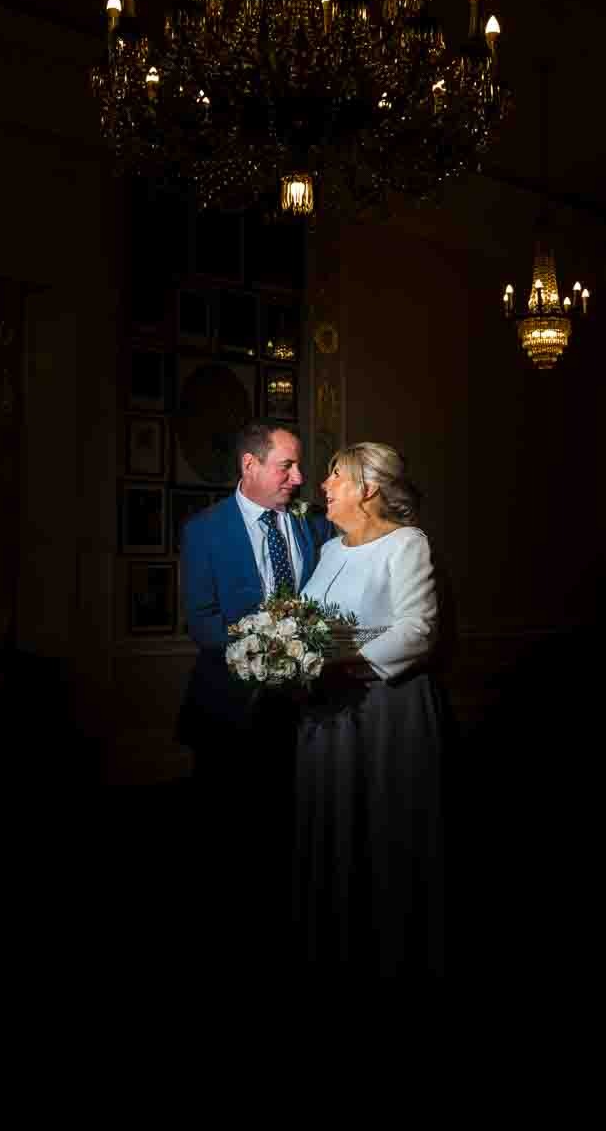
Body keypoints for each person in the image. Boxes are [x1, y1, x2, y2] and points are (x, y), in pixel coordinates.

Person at [177, 421, 333, 970]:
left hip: (305, 711)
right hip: (229, 708)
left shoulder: (310, 527)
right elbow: (201, 622)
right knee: (227, 838)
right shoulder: (205, 530)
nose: (300, 476)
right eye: (286, 466)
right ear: (249, 465)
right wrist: (266, 658)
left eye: (298, 466)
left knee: (294, 833)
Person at [295, 441, 444, 988]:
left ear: (368, 488)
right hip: (327, 712)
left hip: (384, 713)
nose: (324, 486)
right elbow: (309, 620)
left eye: (335, 477)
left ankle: (388, 960)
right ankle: (332, 949)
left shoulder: (407, 544)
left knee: (382, 826)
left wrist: (345, 659)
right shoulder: (331, 549)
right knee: (331, 821)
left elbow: (418, 630)